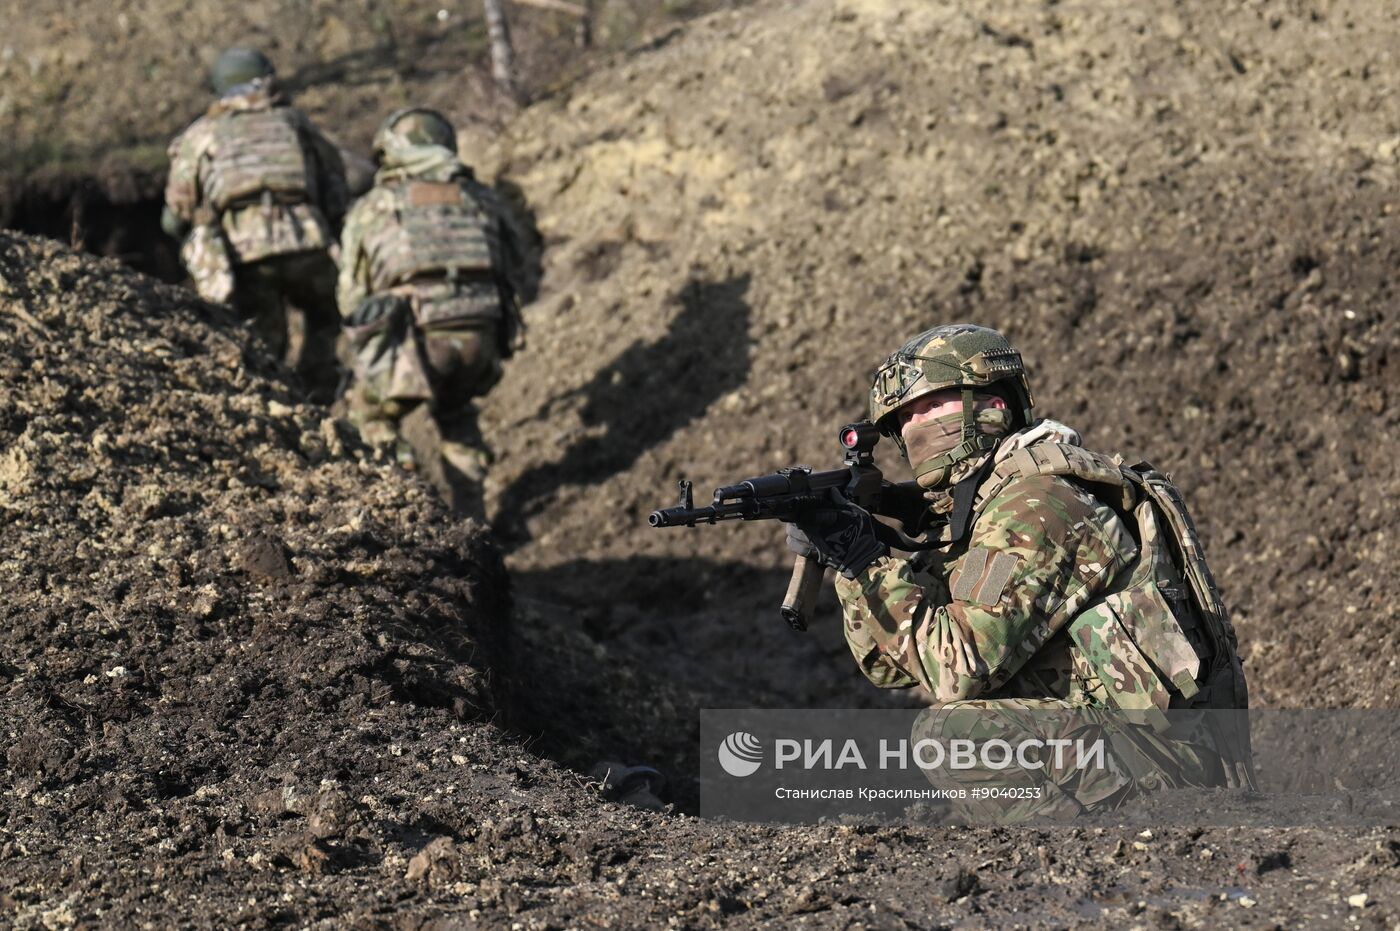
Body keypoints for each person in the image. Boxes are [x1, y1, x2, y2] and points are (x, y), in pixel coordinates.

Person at [786, 323, 1254, 819]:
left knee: (952, 735)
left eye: (930, 404)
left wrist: (867, 560)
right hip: (1120, 745)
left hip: (1168, 767)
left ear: (991, 403)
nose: (912, 423)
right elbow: (893, 665)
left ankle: (1087, 847)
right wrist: (855, 568)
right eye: (903, 415)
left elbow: (954, 671)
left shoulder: (1038, 504)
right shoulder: (982, 513)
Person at [336, 108, 525, 518]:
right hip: (483, 338)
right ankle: (473, 521)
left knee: (370, 416)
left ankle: (409, 509)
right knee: (456, 413)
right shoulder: (483, 199)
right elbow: (517, 268)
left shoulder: (375, 206)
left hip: (415, 340)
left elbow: (351, 298)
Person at [162, 47, 348, 398]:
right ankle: (316, 384)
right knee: (326, 314)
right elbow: (335, 190)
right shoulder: (295, 123)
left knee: (261, 339)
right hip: (307, 242)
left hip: (241, 254)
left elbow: (175, 216)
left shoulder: (202, 135)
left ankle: (272, 402)